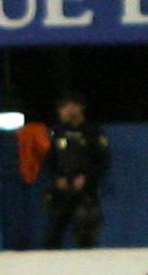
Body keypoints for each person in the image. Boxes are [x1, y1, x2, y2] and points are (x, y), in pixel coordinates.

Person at [44, 93, 108, 249]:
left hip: (85, 193)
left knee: (86, 235)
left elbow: (102, 163)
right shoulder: (57, 133)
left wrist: (86, 178)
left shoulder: (93, 132)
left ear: (77, 107)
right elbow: (51, 161)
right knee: (53, 235)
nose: (62, 111)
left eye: (66, 106)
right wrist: (57, 178)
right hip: (61, 192)